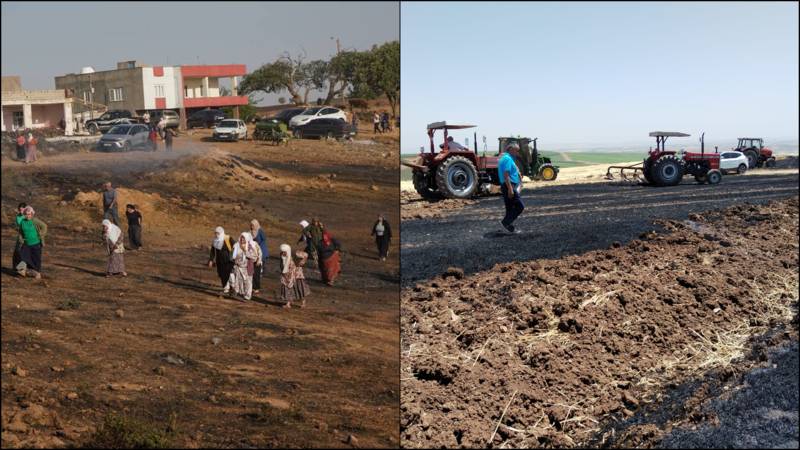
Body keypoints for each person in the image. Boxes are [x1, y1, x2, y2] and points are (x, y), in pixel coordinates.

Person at [224, 232, 259, 301]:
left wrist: (245, 251)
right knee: (238, 281)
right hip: (237, 267)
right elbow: (231, 256)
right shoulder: (236, 245)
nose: (242, 239)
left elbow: (254, 257)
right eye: (241, 237)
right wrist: (233, 259)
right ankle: (239, 293)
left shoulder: (249, 247)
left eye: (244, 238)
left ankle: (247, 296)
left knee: (248, 282)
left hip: (247, 268)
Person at [498, 143, 525, 233]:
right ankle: (505, 222)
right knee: (520, 206)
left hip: (507, 185)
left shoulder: (506, 158)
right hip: (508, 185)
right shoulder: (508, 159)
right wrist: (510, 189)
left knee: (509, 208)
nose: (518, 152)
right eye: (517, 150)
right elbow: (506, 175)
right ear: (511, 150)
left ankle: (508, 227)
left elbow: (513, 170)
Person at [16, 206, 47, 279]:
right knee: (23, 257)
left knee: (36, 258)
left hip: (36, 243)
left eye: (29, 214)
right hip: (26, 243)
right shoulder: (22, 222)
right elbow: (20, 232)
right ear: (24, 214)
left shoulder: (35, 220)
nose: (28, 215)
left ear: (32, 214)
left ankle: (37, 273)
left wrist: (41, 235)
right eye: (26, 214)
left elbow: (44, 226)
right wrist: (20, 239)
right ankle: (23, 271)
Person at [279, 244, 310, 308]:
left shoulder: (294, 255)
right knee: (288, 289)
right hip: (286, 275)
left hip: (296, 275)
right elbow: (282, 265)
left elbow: (305, 255)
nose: (283, 253)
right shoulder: (282, 256)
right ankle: (288, 303)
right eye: (282, 251)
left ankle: (303, 302)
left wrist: (302, 261)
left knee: (299, 288)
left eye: (284, 251)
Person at [208, 227, 235, 291]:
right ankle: (226, 287)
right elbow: (212, 251)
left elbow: (235, 246)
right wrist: (211, 260)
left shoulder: (228, 238)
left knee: (230, 273)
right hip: (219, 261)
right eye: (215, 233)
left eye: (218, 233)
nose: (216, 234)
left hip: (228, 260)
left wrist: (235, 256)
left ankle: (232, 286)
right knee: (222, 274)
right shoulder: (215, 241)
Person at [250, 219, 269, 295]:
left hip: (261, 251)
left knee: (258, 270)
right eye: (251, 225)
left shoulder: (260, 231)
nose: (251, 226)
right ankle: (253, 286)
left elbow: (264, 239)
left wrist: (258, 244)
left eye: (253, 225)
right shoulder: (250, 232)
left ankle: (256, 287)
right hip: (254, 252)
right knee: (253, 271)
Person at [12, 203, 27, 270]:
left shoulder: (27, 216)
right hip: (20, 236)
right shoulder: (18, 216)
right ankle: (15, 267)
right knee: (16, 252)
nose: (21, 210)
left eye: (22, 209)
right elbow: (16, 225)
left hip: (26, 237)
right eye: (20, 209)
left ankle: (21, 269)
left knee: (22, 252)